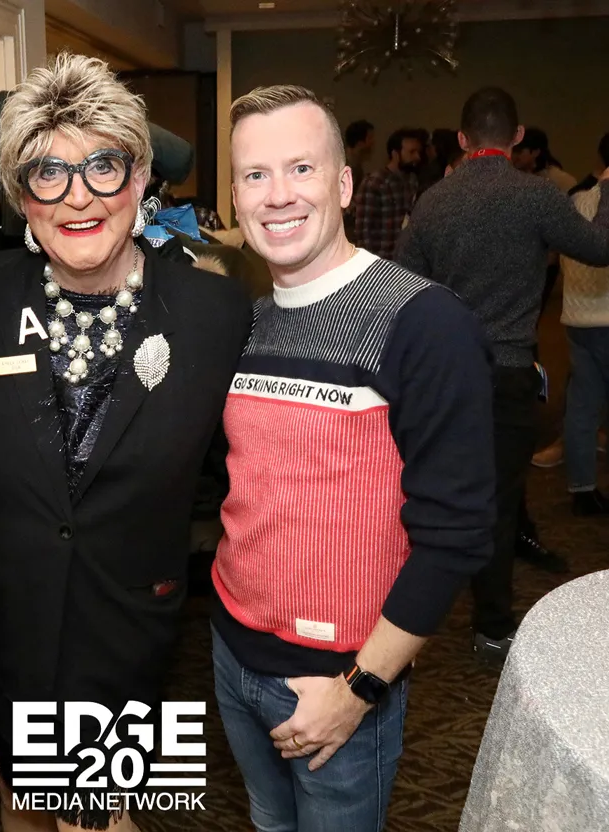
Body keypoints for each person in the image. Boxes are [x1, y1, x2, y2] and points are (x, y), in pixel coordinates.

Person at [0, 53, 252, 832]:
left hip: (130, 630)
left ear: (141, 177)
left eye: (103, 167)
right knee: (19, 800)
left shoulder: (215, 311)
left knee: (101, 820)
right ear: (21, 196)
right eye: (48, 173)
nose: (77, 196)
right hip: (11, 624)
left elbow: (264, 474)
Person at [213, 84, 494, 832]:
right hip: (232, 653)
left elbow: (457, 533)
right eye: (255, 175)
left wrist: (361, 687)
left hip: (339, 678)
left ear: (342, 185)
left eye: (301, 169)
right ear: (236, 197)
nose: (278, 195)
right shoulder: (246, 324)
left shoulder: (422, 321)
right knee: (268, 822)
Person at [395, 87, 609, 661]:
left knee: (439, 495)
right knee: (498, 501)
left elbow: (400, 285)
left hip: (445, 376)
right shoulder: (537, 196)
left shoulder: (434, 201)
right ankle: (491, 626)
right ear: (516, 137)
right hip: (510, 373)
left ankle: (407, 621)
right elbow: (599, 248)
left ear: (462, 139)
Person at [561, 179, 609, 515]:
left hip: (577, 316)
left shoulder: (575, 200)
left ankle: (582, 489)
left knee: (581, 408)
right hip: (606, 314)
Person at [353, 127, 422, 259]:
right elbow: (364, 233)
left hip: (405, 261)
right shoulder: (375, 183)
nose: (417, 157)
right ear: (395, 154)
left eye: (418, 152)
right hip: (381, 261)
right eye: (411, 152)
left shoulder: (412, 181)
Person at [343, 119, 375, 242]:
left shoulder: (357, 164)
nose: (373, 142)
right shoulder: (343, 163)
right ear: (360, 141)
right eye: (370, 138)